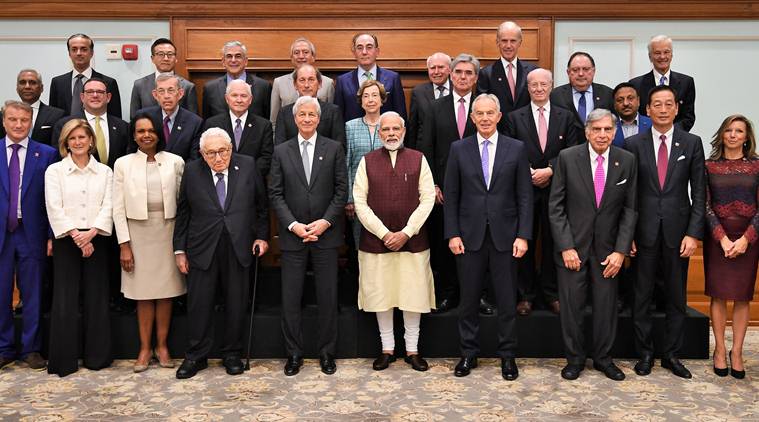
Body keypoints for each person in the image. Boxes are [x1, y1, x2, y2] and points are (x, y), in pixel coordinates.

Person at [444, 94, 532, 380]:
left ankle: (507, 356)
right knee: (468, 300)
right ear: (472, 117)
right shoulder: (458, 149)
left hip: (506, 237)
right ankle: (468, 354)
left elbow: (524, 196)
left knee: (507, 301)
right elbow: (452, 196)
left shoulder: (516, 148)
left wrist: (523, 235)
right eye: (479, 113)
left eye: (489, 113)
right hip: (468, 238)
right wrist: (453, 233)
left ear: (498, 115)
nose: (484, 118)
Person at [548, 108, 638, 381]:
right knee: (572, 308)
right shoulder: (567, 157)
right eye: (596, 129)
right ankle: (574, 359)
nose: (602, 135)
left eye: (607, 129)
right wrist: (566, 246)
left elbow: (630, 210)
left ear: (614, 132)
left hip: (608, 252)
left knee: (606, 308)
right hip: (573, 249)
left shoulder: (627, 160)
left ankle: (603, 359)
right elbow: (556, 207)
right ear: (587, 131)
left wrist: (620, 251)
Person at [173, 127, 269, 379]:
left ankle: (232, 354)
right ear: (202, 154)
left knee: (236, 302)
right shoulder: (193, 170)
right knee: (199, 303)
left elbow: (261, 205)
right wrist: (179, 249)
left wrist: (261, 236)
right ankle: (196, 355)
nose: (218, 157)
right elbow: (183, 211)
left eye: (223, 151)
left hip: (239, 245)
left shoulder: (247, 166)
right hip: (202, 247)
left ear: (231, 149)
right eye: (211, 153)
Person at [625, 85, 705, 379]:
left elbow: (699, 192)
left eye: (667, 104)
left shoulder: (691, 143)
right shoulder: (634, 144)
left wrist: (693, 233)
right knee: (641, 296)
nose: (661, 109)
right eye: (656, 104)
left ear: (676, 108)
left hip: (678, 232)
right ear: (647, 110)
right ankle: (644, 354)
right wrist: (628, 234)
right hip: (643, 232)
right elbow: (629, 195)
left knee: (675, 297)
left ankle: (672, 354)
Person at [269, 96, 347, 376]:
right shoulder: (281, 151)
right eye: (301, 114)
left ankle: (327, 353)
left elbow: (341, 191)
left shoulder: (334, 148)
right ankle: (294, 354)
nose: (306, 119)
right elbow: (275, 193)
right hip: (293, 237)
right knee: (291, 298)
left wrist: (325, 223)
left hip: (326, 235)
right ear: (294, 118)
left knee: (327, 297)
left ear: (319, 118)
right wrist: (293, 225)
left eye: (311, 114)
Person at [353, 111, 435, 371]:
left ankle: (413, 350)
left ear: (403, 131)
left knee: (413, 294)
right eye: (386, 129)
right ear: (379, 134)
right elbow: (359, 202)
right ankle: (387, 349)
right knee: (382, 295)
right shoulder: (367, 161)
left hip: (413, 241)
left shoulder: (418, 159)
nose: (391, 133)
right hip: (377, 242)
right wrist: (384, 234)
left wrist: (407, 232)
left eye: (395, 129)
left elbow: (428, 198)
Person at [112, 111, 185, 372]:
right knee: (143, 294)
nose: (146, 135)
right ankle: (144, 348)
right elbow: (117, 208)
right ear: (134, 135)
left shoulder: (175, 161)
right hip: (137, 234)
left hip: (168, 232)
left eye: (151, 130)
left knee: (166, 293)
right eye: (141, 131)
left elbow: (184, 203)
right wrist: (124, 245)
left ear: (159, 133)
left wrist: (182, 244)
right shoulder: (123, 164)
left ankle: (162, 346)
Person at [506, 68, 579, 316]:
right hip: (523, 190)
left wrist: (550, 170)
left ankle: (551, 293)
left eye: (543, 84)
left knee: (552, 243)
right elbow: (509, 149)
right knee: (524, 241)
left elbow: (573, 151)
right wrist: (527, 172)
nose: (538, 89)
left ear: (551, 86)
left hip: (555, 190)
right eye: (533, 85)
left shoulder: (566, 117)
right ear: (527, 88)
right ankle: (525, 295)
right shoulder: (515, 118)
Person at [45, 118, 113, 377]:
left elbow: (109, 204)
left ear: (91, 141)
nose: (77, 142)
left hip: (97, 239)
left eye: (82, 137)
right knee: (65, 300)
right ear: (65, 143)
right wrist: (76, 235)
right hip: (66, 240)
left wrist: (92, 233)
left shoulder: (105, 172)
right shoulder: (55, 171)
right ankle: (64, 361)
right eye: (72, 138)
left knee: (96, 299)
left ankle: (98, 358)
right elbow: (54, 206)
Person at [417, 53, 482, 314]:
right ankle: (447, 293)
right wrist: (432, 185)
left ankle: (478, 296)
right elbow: (425, 148)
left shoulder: (485, 105)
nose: (463, 77)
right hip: (443, 190)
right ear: (451, 76)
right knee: (445, 246)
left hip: (479, 192)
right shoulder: (435, 107)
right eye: (459, 72)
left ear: (475, 78)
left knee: (478, 245)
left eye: (469, 73)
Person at [0, 101, 57, 371]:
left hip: (31, 231)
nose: (19, 125)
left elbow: (52, 200)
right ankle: (4, 347)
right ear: (4, 122)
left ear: (31, 122)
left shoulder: (46, 154)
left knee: (33, 292)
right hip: (2, 233)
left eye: (24, 120)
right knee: (1, 293)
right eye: (13, 119)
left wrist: (50, 235)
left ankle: (31, 348)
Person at [703, 114, 759, 379]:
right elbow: (704, 205)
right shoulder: (709, 165)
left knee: (742, 296)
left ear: (747, 137)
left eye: (739, 131)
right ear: (722, 135)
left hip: (749, 239)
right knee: (718, 294)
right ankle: (720, 350)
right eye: (729, 130)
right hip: (719, 238)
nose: (734, 135)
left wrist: (746, 238)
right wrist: (722, 238)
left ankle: (737, 352)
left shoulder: (757, 166)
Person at [203, 79, 273, 178]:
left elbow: (266, 158)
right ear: (227, 99)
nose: (239, 100)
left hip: (252, 181)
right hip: (221, 178)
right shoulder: (212, 123)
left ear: (250, 99)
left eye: (244, 96)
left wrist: (245, 174)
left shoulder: (264, 125)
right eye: (234, 95)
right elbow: (207, 153)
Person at [476, 21, 537, 133]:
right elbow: (482, 107)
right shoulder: (486, 73)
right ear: (497, 42)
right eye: (504, 41)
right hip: (499, 133)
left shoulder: (532, 72)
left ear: (520, 43)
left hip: (527, 133)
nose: (508, 45)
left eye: (513, 41)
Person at [345, 80, 386, 246]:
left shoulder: (391, 124)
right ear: (361, 101)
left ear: (382, 100)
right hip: (359, 196)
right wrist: (349, 199)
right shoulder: (350, 127)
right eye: (366, 96)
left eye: (375, 95)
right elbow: (346, 164)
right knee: (361, 243)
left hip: (386, 195)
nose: (370, 100)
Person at [334, 32, 407, 122]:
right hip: (352, 134)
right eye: (359, 48)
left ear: (377, 51)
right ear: (354, 52)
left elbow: (400, 115)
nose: (364, 52)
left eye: (369, 47)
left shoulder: (393, 78)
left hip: (385, 134)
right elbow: (338, 118)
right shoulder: (342, 81)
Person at [629, 35, 696, 132]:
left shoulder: (686, 82)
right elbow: (635, 117)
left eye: (666, 52)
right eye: (657, 53)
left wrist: (669, 132)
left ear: (671, 55)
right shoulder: (636, 84)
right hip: (646, 138)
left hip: (676, 139)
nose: (662, 56)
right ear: (650, 57)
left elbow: (688, 117)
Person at [49, 33, 122, 118]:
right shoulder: (57, 83)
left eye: (83, 49)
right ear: (69, 53)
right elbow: (53, 116)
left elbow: (115, 118)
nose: (79, 53)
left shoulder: (109, 82)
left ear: (91, 53)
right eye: (74, 49)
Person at [270, 37, 335, 125]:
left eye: (305, 52)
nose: (301, 56)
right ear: (291, 58)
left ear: (313, 57)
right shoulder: (279, 83)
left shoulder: (327, 83)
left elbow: (332, 115)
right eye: (296, 53)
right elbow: (274, 120)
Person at [275, 64, 345, 146]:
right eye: (302, 80)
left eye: (311, 80)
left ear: (319, 84)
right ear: (295, 85)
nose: (306, 85)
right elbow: (279, 149)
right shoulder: (284, 113)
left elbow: (339, 147)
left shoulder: (333, 111)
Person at [138, 73, 203, 161]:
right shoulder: (143, 118)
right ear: (155, 95)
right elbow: (134, 151)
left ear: (180, 93)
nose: (166, 96)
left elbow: (194, 159)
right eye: (161, 91)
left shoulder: (194, 122)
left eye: (171, 90)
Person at [549, 52, 614, 137]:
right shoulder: (555, 95)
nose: (581, 74)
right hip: (566, 147)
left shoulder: (608, 94)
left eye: (586, 69)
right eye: (575, 70)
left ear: (593, 71)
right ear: (568, 72)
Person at [130, 38, 199, 118]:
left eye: (170, 54)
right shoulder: (139, 85)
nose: (166, 58)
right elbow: (134, 118)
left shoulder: (187, 86)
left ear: (175, 59)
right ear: (152, 59)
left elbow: (193, 120)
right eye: (160, 54)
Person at [202, 40, 272, 119]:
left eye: (238, 56)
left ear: (245, 61)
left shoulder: (263, 87)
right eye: (229, 56)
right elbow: (207, 122)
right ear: (223, 62)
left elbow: (267, 120)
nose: (233, 60)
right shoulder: (210, 88)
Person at [0, 69, 65, 146]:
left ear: (41, 88)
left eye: (32, 83)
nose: (27, 86)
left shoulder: (57, 115)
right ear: (17, 88)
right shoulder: (3, 115)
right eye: (22, 83)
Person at [407, 52, 451, 149]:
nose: (436, 72)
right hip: (426, 149)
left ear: (449, 69)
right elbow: (413, 127)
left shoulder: (457, 90)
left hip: (452, 148)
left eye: (440, 67)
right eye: (432, 68)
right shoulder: (418, 92)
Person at [612, 82, 652, 148]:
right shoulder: (608, 126)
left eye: (630, 98)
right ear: (614, 105)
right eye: (620, 100)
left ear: (638, 101)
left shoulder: (652, 124)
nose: (626, 103)